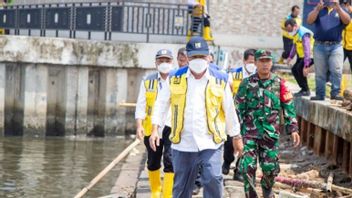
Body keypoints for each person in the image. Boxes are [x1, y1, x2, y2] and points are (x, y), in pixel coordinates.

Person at [150, 36, 243, 198]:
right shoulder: (175, 78)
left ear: (208, 57)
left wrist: (236, 135)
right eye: (194, 57)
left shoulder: (220, 79)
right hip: (183, 143)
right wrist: (155, 128)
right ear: (187, 57)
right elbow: (161, 104)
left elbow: (229, 109)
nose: (198, 61)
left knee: (213, 178)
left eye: (201, 57)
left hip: (211, 142)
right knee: (181, 188)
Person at [236, 49, 300, 198]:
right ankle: (251, 195)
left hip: (270, 134)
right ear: (256, 63)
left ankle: (267, 188)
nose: (265, 64)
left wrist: (293, 129)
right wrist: (236, 134)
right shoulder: (246, 84)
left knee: (270, 168)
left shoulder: (280, 83)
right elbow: (238, 108)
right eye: (262, 61)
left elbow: (288, 106)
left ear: (271, 63)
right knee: (247, 167)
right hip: (249, 134)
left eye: (268, 61)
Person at [135, 49, 174, 198]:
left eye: (167, 60)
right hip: (151, 128)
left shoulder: (178, 80)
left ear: (172, 62)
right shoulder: (148, 80)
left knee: (170, 160)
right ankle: (156, 191)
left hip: (171, 127)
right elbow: (141, 105)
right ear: (156, 63)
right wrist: (139, 126)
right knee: (153, 161)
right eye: (161, 60)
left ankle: (167, 194)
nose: (164, 63)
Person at [222, 48, 256, 181]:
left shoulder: (258, 75)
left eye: (254, 61)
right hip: (235, 112)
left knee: (247, 143)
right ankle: (227, 161)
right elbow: (228, 89)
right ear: (244, 61)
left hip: (251, 114)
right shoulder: (234, 74)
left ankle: (239, 170)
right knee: (230, 141)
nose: (252, 64)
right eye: (250, 61)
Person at [307, 0, 351, 100]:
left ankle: (335, 94)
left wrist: (339, 9)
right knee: (320, 72)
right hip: (319, 45)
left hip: (336, 46)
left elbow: (347, 21)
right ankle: (320, 95)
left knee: (336, 70)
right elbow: (309, 21)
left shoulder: (341, 9)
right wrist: (317, 9)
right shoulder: (319, 9)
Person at [285, 19, 315, 97]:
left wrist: (306, 65)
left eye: (290, 30)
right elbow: (294, 46)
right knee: (294, 69)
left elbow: (307, 48)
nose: (289, 32)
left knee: (299, 68)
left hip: (310, 55)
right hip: (301, 56)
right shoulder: (296, 34)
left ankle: (306, 90)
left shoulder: (304, 33)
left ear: (295, 26)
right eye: (288, 30)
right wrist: (290, 57)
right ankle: (303, 88)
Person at [342, 1, 352, 72]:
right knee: (336, 65)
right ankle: (329, 81)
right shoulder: (342, 14)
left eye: (347, 4)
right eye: (344, 4)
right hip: (342, 47)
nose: (345, 6)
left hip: (351, 47)